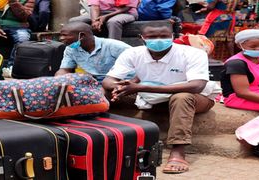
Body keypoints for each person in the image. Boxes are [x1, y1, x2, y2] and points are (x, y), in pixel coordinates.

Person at [102, 24, 218, 174]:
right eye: (152, 37)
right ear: (141, 38)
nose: (158, 40)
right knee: (103, 91)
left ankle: (178, 150)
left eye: (164, 36)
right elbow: (108, 81)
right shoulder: (132, 53)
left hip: (194, 98)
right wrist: (119, 87)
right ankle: (106, 140)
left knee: (181, 97)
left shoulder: (192, 53)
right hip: (151, 97)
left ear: (173, 37)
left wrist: (140, 87)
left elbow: (197, 86)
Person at [55, 21, 131, 82]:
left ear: (82, 36)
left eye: (65, 35)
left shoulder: (115, 46)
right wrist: (57, 80)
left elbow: (138, 63)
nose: (61, 38)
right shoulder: (71, 49)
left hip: (119, 82)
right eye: (61, 35)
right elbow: (64, 69)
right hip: (94, 83)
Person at [70, 0, 139, 40]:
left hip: (125, 12)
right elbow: (94, 6)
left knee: (113, 22)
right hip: (101, 13)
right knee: (74, 21)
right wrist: (95, 21)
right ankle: (78, 49)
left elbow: (127, 8)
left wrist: (105, 17)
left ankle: (113, 49)